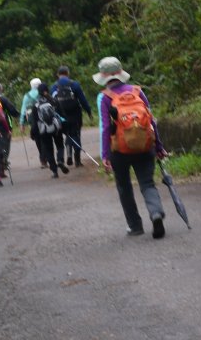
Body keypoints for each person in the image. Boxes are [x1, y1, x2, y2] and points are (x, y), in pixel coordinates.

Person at [94, 57, 168, 238]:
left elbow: (105, 128)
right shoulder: (138, 92)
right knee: (147, 183)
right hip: (144, 146)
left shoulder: (105, 97)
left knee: (124, 187)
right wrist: (158, 146)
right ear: (120, 72)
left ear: (103, 77)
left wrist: (105, 155)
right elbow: (151, 121)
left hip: (119, 150)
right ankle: (155, 213)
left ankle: (135, 226)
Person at [50, 65, 93, 167]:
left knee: (68, 134)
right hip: (75, 115)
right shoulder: (74, 85)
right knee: (76, 134)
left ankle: (68, 153)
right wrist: (89, 112)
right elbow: (83, 100)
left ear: (58, 74)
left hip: (61, 116)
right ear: (68, 73)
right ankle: (77, 160)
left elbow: (52, 102)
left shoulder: (54, 86)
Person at [29, 82, 69, 178]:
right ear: (47, 90)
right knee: (60, 145)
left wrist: (33, 133)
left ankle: (54, 171)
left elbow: (34, 121)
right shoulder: (54, 101)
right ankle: (60, 160)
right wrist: (65, 128)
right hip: (56, 128)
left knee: (48, 149)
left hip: (43, 130)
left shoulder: (36, 105)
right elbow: (62, 115)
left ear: (39, 92)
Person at [0, 81, 21, 175]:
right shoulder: (2, 98)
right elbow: (11, 109)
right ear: (1, 89)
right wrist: (19, 115)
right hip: (5, 125)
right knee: (5, 143)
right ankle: (4, 162)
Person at [19, 77, 45, 168]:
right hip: (44, 120)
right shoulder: (43, 93)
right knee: (45, 139)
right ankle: (46, 158)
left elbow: (23, 110)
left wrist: (22, 123)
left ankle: (42, 160)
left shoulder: (27, 96)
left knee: (38, 140)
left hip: (33, 121)